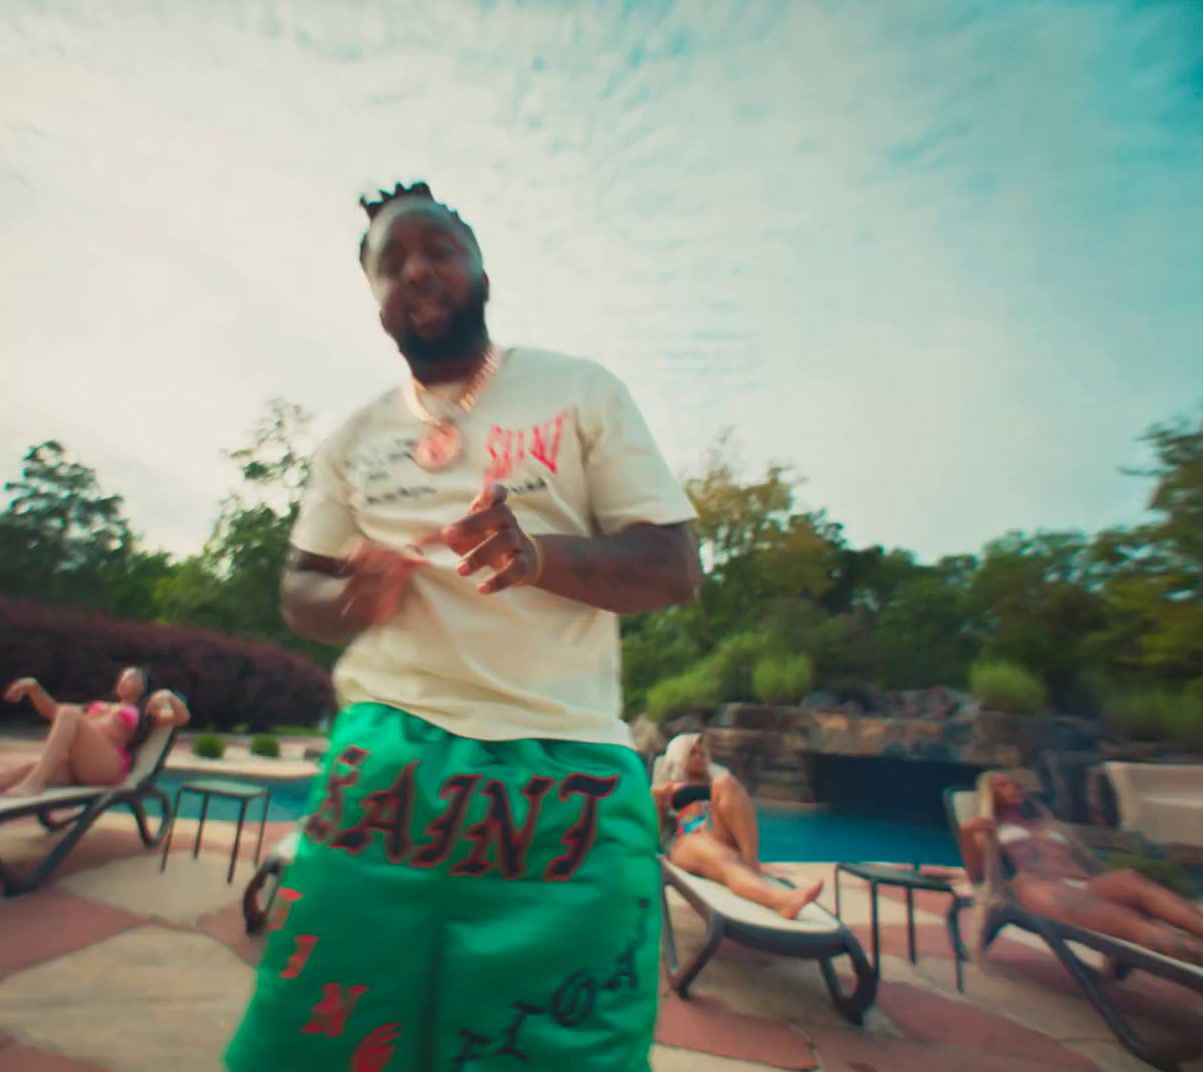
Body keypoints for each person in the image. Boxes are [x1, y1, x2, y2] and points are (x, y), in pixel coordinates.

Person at [224, 181, 702, 1072]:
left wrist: (538, 557)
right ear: (375, 298)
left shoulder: (579, 389)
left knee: (567, 1044)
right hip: (387, 758)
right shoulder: (353, 439)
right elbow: (300, 589)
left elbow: (674, 566)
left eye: (436, 247)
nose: (416, 269)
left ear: (479, 264)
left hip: (565, 766)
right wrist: (350, 600)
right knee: (312, 1044)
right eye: (390, 261)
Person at [959, 769, 1203, 975]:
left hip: (1086, 883)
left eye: (1016, 783)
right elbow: (978, 876)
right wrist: (968, 832)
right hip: (1041, 887)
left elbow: (1085, 860)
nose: (1013, 787)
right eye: (1003, 785)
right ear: (990, 793)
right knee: (1135, 925)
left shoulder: (1046, 822)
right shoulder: (989, 828)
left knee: (1132, 879)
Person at [0, 667, 188, 800]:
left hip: (108, 766)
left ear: (143, 686)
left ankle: (33, 784)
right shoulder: (97, 706)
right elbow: (53, 712)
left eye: (133, 677)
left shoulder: (143, 713)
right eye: (123, 677)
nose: (126, 681)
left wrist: (168, 697)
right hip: (77, 766)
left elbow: (182, 718)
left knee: (68, 713)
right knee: (29, 765)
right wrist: (33, 688)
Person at [652, 733, 823, 919]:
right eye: (692, 753)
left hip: (714, 833)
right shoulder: (664, 788)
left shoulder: (714, 782)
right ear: (679, 756)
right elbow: (654, 833)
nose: (699, 757)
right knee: (726, 861)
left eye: (702, 753)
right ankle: (781, 901)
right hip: (685, 841)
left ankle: (751, 863)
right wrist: (658, 799)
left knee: (726, 782)